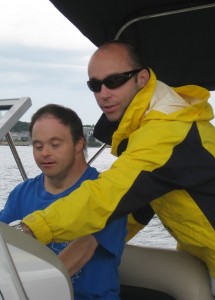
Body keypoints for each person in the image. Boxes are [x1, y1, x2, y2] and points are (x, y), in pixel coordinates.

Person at [18, 40, 215, 299]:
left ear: (141, 78)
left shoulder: (166, 128)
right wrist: (97, 238)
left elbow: (107, 193)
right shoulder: (147, 128)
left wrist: (27, 231)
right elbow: (139, 205)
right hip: (208, 257)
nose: (103, 93)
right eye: (95, 85)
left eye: (114, 81)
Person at [0, 103, 127, 300]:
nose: (45, 153)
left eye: (55, 144)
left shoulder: (104, 193)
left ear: (79, 144)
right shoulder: (21, 193)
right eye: (38, 146)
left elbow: (70, 263)